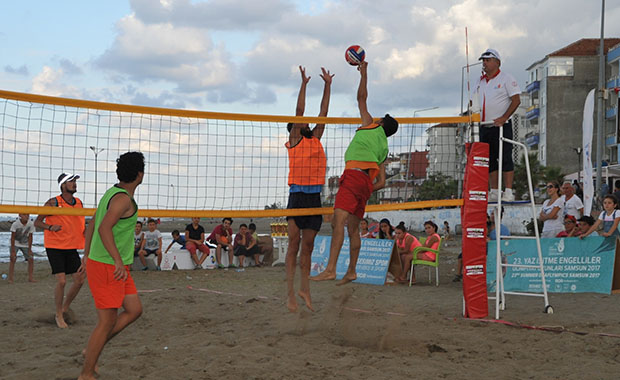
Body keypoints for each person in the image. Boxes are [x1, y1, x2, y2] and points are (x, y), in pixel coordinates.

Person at [311, 61, 398, 285]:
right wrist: (367, 186)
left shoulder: (371, 125)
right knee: (353, 230)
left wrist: (364, 73)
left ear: (381, 122)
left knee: (338, 222)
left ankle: (331, 269)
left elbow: (361, 98)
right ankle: (351, 271)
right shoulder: (384, 148)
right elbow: (382, 182)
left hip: (353, 176)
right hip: (365, 184)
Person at [79, 151, 144, 380]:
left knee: (134, 310)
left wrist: (86, 255)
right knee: (106, 322)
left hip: (113, 264)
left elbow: (93, 222)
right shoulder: (122, 199)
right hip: (109, 265)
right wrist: (116, 259)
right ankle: (87, 373)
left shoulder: (112, 193)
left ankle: (91, 351)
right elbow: (103, 228)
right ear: (140, 174)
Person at [284, 65, 333, 312]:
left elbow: (323, 112)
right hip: (297, 196)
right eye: (298, 123)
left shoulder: (316, 139)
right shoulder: (295, 140)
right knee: (293, 246)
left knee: (308, 247)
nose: (303, 122)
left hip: (314, 198)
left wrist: (327, 85)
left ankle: (305, 290)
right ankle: (291, 294)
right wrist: (304, 84)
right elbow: (300, 110)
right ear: (294, 128)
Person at [34, 173, 86, 329]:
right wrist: (50, 227)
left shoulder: (79, 203)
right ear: (63, 185)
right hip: (55, 246)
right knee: (62, 281)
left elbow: (80, 225)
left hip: (70, 247)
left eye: (75, 181)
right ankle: (58, 315)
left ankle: (64, 308)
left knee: (79, 279)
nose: (74, 183)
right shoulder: (53, 202)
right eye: (71, 181)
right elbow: (37, 222)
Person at [473, 48, 521, 202]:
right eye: (483, 61)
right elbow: (474, 101)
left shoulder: (506, 78)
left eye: (488, 60)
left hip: (501, 125)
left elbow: (516, 100)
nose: (484, 64)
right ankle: (494, 190)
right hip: (484, 125)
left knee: (505, 157)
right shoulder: (480, 81)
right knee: (489, 160)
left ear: (497, 62)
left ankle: (508, 191)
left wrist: (504, 117)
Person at [9, 213, 36, 283]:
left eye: (28, 215)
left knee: (31, 259)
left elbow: (30, 237)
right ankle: (10, 278)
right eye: (24, 215)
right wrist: (12, 251)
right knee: (13, 259)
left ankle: (30, 278)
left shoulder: (31, 224)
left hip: (25, 244)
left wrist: (30, 249)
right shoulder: (15, 224)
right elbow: (12, 238)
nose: (26, 216)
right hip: (15, 243)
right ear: (20, 215)